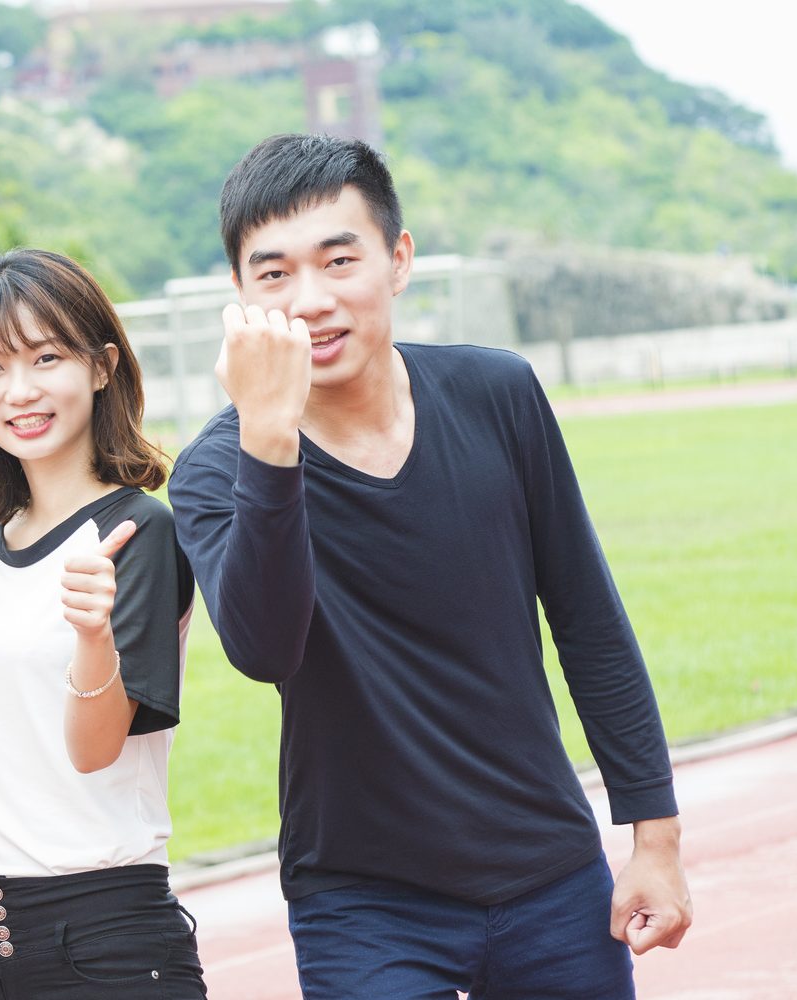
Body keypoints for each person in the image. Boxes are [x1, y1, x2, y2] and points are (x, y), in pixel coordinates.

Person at [166, 133, 692, 998]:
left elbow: (589, 621)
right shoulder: (218, 469)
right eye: (275, 274)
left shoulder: (498, 394)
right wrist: (269, 436)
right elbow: (265, 649)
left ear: (399, 260)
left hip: (550, 873)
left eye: (340, 260)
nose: (311, 300)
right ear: (241, 294)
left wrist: (656, 840)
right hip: (362, 901)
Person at [0, 249, 206, 999]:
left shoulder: (137, 534)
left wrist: (92, 635)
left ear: (102, 367)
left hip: (103, 938)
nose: (20, 390)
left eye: (46, 358)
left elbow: (94, 749)